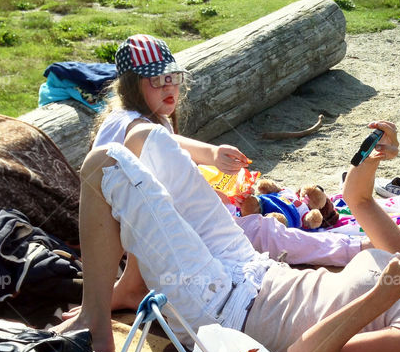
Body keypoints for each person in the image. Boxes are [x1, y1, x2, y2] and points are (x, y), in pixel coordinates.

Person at [54, 118, 400, 352]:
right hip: (249, 267)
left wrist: (387, 293)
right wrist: (369, 152)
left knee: (107, 162)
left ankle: (95, 326)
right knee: (144, 135)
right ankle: (125, 289)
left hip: (222, 309)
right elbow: (357, 196)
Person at [86, 34, 367, 315]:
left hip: (174, 234)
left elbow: (166, 154)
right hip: (169, 242)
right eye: (156, 80)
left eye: (173, 76)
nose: (168, 86)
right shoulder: (124, 124)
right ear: (130, 86)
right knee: (266, 233)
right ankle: (357, 247)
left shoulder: (150, 119)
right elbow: (136, 165)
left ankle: (355, 246)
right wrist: (210, 168)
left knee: (263, 226)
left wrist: (211, 169)